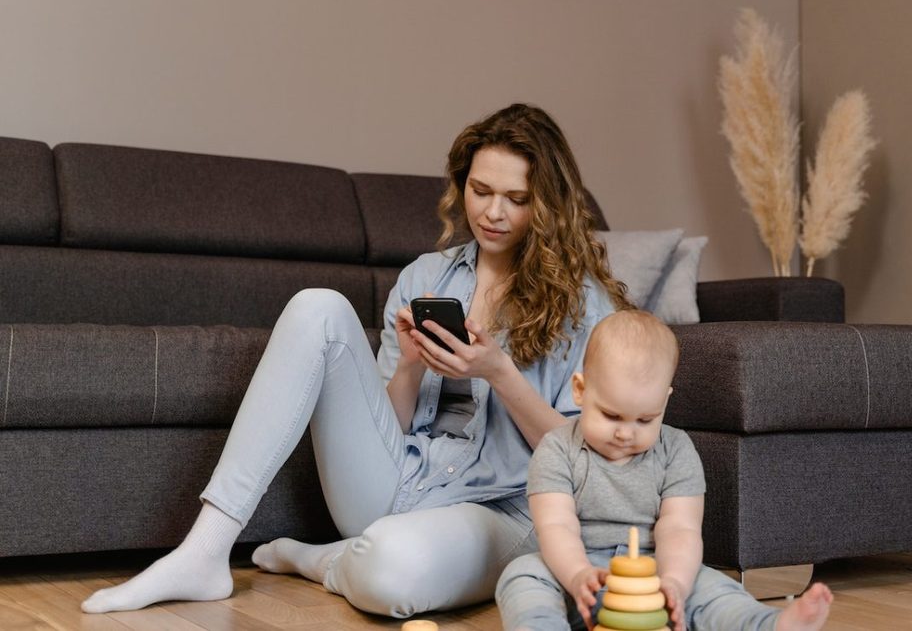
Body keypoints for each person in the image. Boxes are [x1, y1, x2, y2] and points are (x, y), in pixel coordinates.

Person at [81, 103, 632, 617]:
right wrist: (412, 365)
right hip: (399, 482)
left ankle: (320, 559)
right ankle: (205, 550)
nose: (492, 212)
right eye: (480, 189)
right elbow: (384, 427)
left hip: (503, 509)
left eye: (516, 198)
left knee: (390, 571)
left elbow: (586, 466)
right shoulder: (425, 277)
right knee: (315, 307)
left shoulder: (590, 308)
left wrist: (499, 373)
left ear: (549, 206)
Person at [496, 310, 833, 631]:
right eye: (611, 416)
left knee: (711, 585)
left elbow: (680, 529)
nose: (626, 433)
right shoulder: (556, 449)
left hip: (654, 573)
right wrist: (577, 574)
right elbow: (556, 525)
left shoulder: (676, 451)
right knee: (523, 575)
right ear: (581, 391)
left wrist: (674, 583)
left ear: (664, 402)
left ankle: (767, 624)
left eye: (645, 419)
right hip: (580, 574)